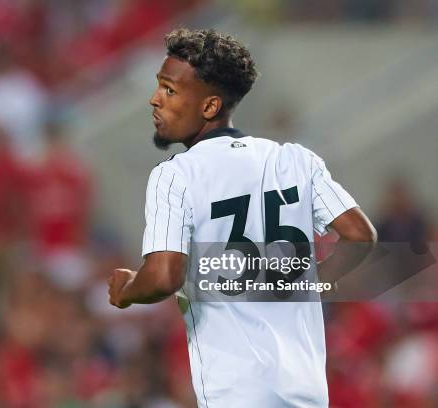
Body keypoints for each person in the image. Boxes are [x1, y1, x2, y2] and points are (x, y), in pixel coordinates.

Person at [107, 28, 377, 407]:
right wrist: (305, 282)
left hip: (237, 393)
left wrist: (129, 290)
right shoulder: (295, 159)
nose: (155, 100)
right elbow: (360, 236)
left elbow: (164, 276)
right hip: (307, 391)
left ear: (210, 106)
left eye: (169, 90)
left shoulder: (177, 174)